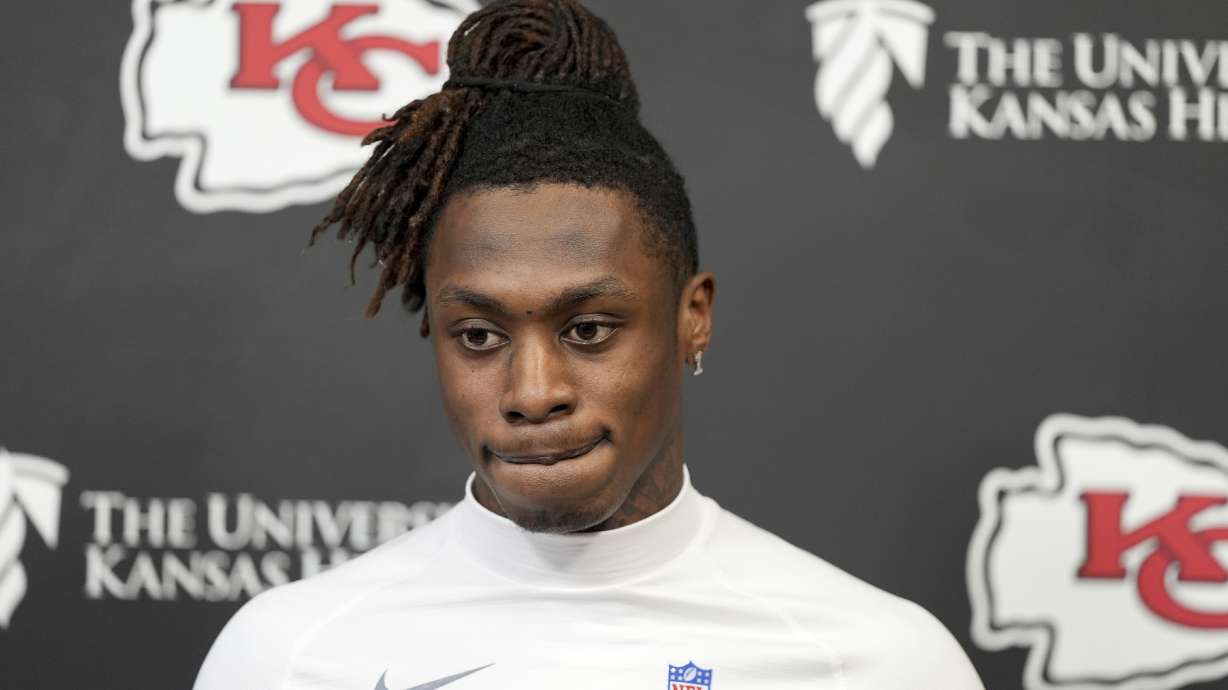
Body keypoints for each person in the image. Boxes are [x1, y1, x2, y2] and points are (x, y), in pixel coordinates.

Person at [194, 0, 985, 688]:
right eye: (479, 335)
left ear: (693, 316)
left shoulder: (875, 663)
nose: (533, 392)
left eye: (588, 329)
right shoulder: (289, 657)